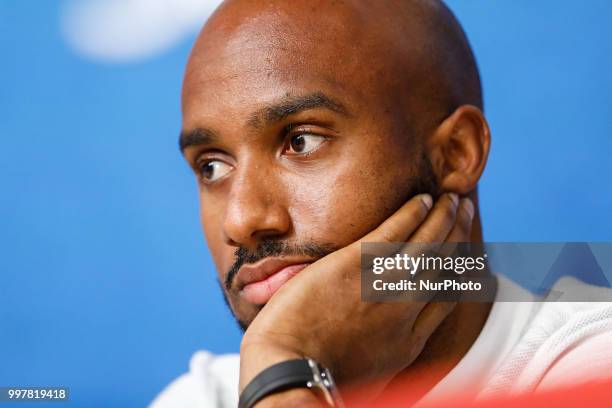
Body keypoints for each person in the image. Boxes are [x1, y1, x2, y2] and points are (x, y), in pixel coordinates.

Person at [151, 1, 612, 406]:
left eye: (302, 141)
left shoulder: (594, 362)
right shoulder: (205, 397)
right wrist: (284, 370)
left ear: (457, 153)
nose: (243, 219)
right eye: (212, 167)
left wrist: (288, 371)